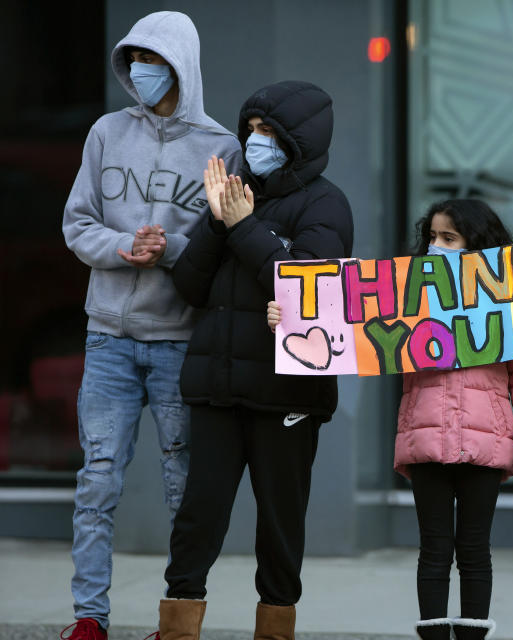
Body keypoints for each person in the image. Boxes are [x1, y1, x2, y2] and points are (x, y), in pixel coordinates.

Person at [267, 198, 513, 640]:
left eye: (449, 238)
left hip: (486, 448)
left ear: (477, 245)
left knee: (475, 549)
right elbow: (345, 323)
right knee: (435, 549)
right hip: (426, 447)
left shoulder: (510, 304)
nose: (436, 246)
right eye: (432, 238)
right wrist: (289, 319)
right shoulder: (408, 299)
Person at [60, 11, 240, 640]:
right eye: (134, 58)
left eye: (154, 60)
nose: (141, 71)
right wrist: (120, 247)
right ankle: (89, 618)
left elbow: (224, 246)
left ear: (180, 66)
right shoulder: (107, 133)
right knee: (97, 480)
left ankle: (178, 618)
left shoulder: (224, 147)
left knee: (181, 488)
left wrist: (165, 251)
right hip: (107, 336)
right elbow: (77, 223)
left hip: (177, 342)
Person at [151, 80, 353, 640]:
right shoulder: (234, 193)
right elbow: (191, 286)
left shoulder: (325, 203)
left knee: (280, 525)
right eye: (252, 130)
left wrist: (243, 226)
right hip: (217, 386)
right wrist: (218, 223)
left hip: (288, 396)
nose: (256, 141)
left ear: (299, 140)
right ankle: (177, 625)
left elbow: (307, 295)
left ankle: (275, 628)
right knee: (198, 518)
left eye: (269, 132)